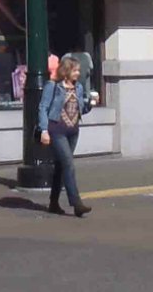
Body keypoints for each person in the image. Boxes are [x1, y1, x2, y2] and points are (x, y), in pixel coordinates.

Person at [37, 52, 98, 216]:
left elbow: (81, 110)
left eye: (78, 70)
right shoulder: (53, 86)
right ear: (66, 71)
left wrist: (91, 104)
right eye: (75, 70)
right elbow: (43, 107)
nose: (78, 73)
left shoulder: (78, 87)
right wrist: (44, 130)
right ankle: (76, 203)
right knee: (69, 164)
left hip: (73, 131)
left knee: (61, 166)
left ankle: (53, 202)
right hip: (57, 130)